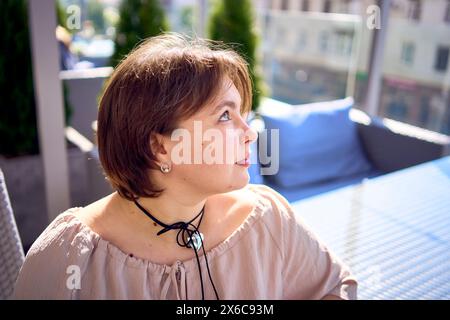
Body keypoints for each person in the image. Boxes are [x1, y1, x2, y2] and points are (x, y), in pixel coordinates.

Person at [13, 33, 357, 300]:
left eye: (242, 114)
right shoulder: (68, 256)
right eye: (225, 116)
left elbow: (337, 286)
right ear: (160, 147)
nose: (249, 132)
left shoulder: (269, 221)